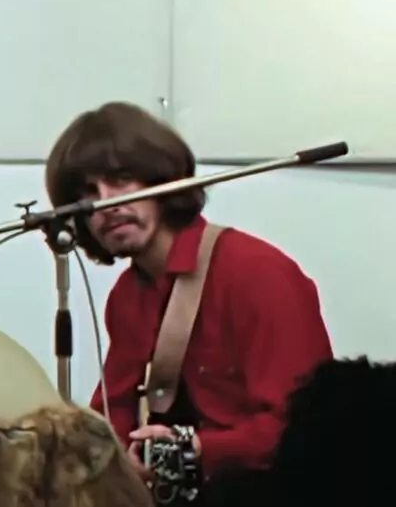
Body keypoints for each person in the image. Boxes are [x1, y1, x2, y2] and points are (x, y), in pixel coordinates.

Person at [45, 102, 333, 501]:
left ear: (162, 179)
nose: (105, 204)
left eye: (121, 180)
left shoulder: (256, 272)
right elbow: (115, 411)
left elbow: (304, 427)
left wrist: (195, 449)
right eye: (88, 194)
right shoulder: (126, 297)